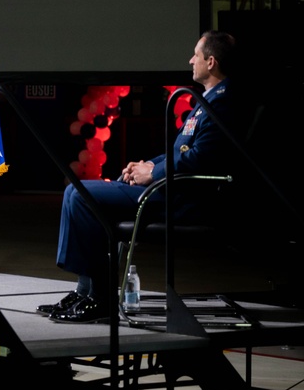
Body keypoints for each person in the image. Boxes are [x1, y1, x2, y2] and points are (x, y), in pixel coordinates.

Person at [41, 30, 240, 323]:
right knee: (79, 193)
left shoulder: (224, 102)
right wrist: (145, 164)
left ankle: (99, 297)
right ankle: (85, 291)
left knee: (79, 195)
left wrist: (154, 173)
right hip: (169, 187)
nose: (190, 60)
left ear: (211, 62)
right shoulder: (208, 99)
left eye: (195, 55)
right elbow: (180, 150)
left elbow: (200, 160)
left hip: (184, 198)